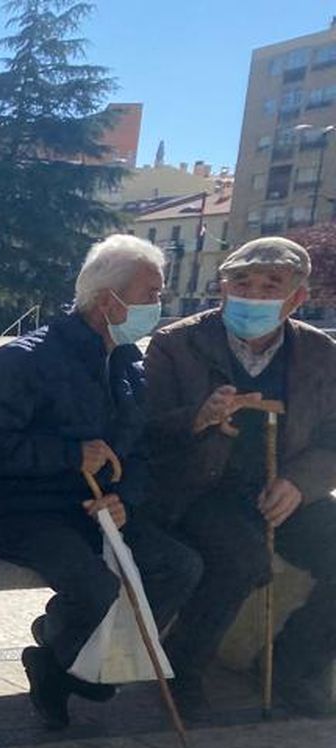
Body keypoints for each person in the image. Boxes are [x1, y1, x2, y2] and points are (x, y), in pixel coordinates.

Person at [0, 234, 203, 728]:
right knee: (94, 587)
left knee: (178, 565)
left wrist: (123, 497)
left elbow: (139, 451)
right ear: (109, 300)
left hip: (90, 509)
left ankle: (59, 655)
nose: (160, 304)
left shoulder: (130, 364)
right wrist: (70, 456)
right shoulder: (22, 360)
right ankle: (68, 651)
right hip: (16, 510)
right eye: (150, 294)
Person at [144, 236, 336, 716]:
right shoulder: (177, 343)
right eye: (241, 283)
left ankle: (294, 663)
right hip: (199, 489)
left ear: (296, 298)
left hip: (282, 487)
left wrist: (300, 482)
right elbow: (142, 426)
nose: (253, 295)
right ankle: (181, 666)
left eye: (271, 285)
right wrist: (198, 417)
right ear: (222, 288)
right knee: (242, 559)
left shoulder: (320, 353)